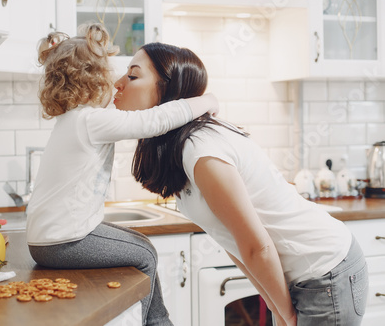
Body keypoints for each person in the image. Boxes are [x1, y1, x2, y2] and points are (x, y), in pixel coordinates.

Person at [113, 42, 369, 326]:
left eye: (133, 76)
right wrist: (278, 309)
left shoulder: (201, 151)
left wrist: (286, 314)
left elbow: (256, 248)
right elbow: (235, 244)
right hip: (301, 277)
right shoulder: (180, 150)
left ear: (168, 90)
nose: (118, 83)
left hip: (325, 272)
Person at [26, 23, 219, 326]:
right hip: (63, 242)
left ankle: (158, 322)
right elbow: (154, 120)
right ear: (92, 83)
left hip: (50, 241)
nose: (117, 84)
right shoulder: (91, 121)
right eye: (110, 77)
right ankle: (155, 322)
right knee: (146, 254)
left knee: (142, 245)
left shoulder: (73, 120)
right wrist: (207, 102)